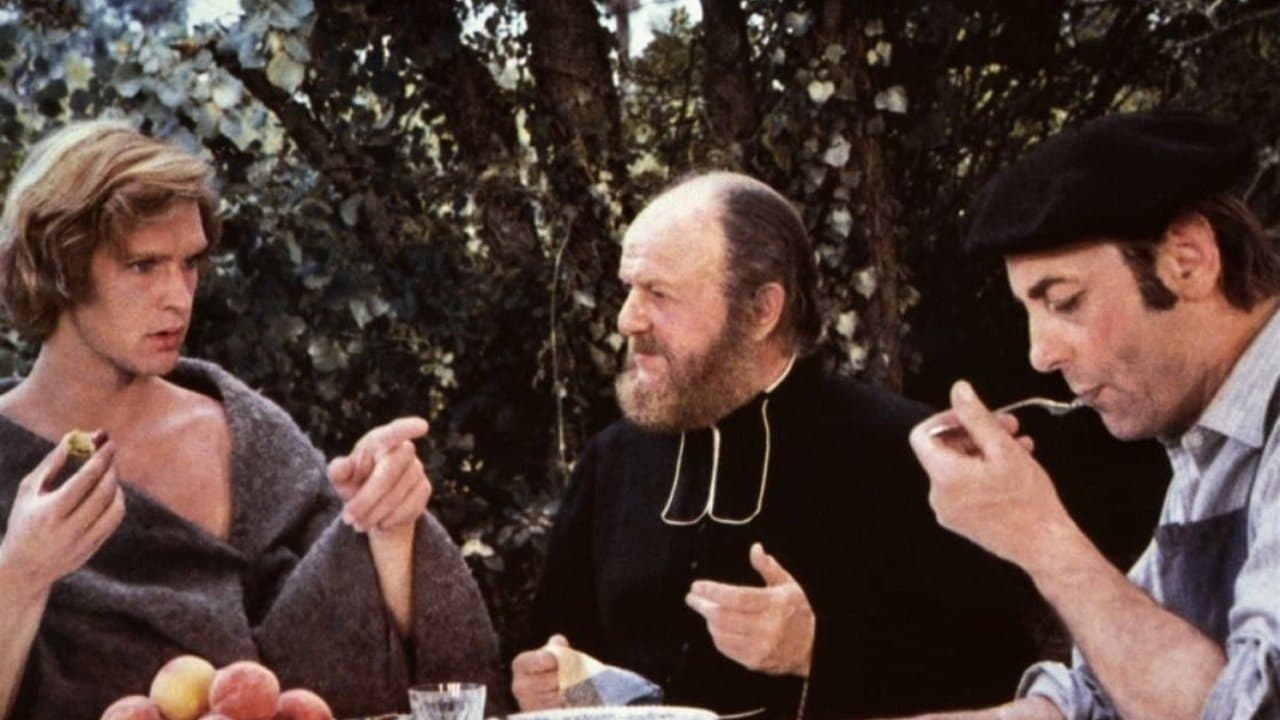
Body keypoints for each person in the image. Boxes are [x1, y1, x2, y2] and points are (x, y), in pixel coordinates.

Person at [0, 119, 505, 720]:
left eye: (189, 263)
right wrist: (20, 574)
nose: (178, 296)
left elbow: (349, 664)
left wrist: (386, 524)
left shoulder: (242, 429)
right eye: (143, 265)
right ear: (59, 267)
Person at [512, 171, 1039, 719]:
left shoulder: (909, 454)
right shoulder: (613, 460)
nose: (627, 319)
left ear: (762, 310)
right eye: (629, 289)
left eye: (658, 294)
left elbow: (1002, 680)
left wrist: (815, 651)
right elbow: (559, 646)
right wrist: (547, 686)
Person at [907, 111, 1280, 719]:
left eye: (1065, 301)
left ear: (1187, 261)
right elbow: (1103, 694)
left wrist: (1039, 536)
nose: (1040, 354)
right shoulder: (1211, 442)